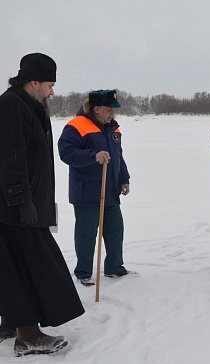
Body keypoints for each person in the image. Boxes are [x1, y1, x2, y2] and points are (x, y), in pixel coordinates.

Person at [0, 53, 85, 356]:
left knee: (14, 266)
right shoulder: (10, 107)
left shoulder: (27, 106)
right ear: (33, 82)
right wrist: (22, 202)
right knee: (25, 267)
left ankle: (10, 324)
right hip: (8, 209)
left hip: (18, 206)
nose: (53, 91)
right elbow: (9, 160)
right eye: (50, 84)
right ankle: (28, 335)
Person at [58, 89, 133, 287]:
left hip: (110, 191)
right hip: (87, 192)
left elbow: (119, 157)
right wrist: (93, 156)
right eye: (109, 109)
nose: (112, 114)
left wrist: (124, 178)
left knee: (115, 230)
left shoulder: (113, 128)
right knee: (86, 234)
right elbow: (66, 153)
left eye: (114, 110)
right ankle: (83, 272)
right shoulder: (76, 126)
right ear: (96, 109)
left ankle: (114, 267)